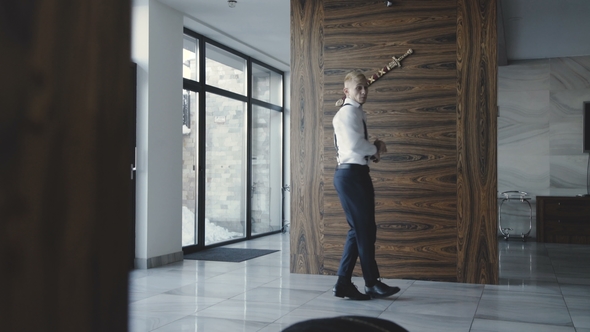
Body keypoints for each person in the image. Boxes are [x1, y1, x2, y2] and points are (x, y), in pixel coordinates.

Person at [331, 70, 400, 301]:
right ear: (346, 91)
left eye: (365, 87)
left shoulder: (355, 113)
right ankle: (371, 283)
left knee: (360, 230)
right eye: (358, 87)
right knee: (365, 230)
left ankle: (343, 284)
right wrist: (375, 149)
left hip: (355, 174)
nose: (363, 91)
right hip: (351, 176)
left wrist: (371, 153)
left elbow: (355, 148)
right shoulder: (347, 113)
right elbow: (355, 145)